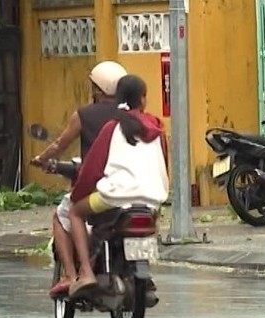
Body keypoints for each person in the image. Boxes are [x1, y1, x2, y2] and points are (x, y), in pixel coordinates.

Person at [67, 74, 169, 299]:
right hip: (152, 197)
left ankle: (86, 273)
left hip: (113, 197)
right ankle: (144, 268)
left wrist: (78, 193)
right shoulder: (157, 128)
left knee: (75, 212)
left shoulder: (112, 128)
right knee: (153, 220)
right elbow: (164, 164)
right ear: (142, 100)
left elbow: (92, 169)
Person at [31, 61, 127, 297]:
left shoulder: (84, 115)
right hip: (133, 190)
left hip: (100, 190)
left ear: (97, 89)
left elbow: (59, 145)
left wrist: (42, 159)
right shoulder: (133, 116)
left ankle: (74, 274)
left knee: (65, 214)